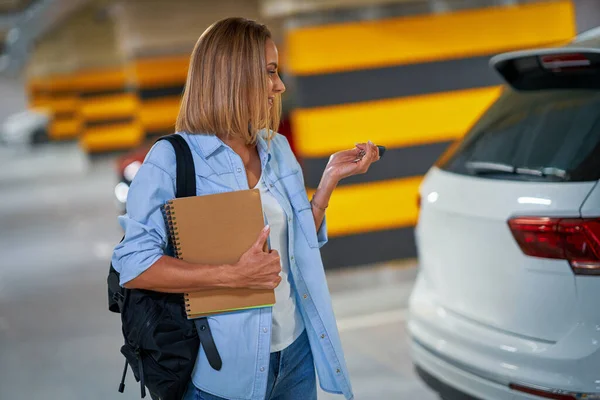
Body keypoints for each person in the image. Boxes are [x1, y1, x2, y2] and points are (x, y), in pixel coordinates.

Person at [112, 17, 380, 400]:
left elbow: (296, 242)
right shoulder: (171, 161)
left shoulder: (277, 148)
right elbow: (134, 265)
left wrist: (328, 183)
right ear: (234, 76)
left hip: (296, 356)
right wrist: (232, 275)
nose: (280, 85)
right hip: (224, 371)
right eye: (270, 72)